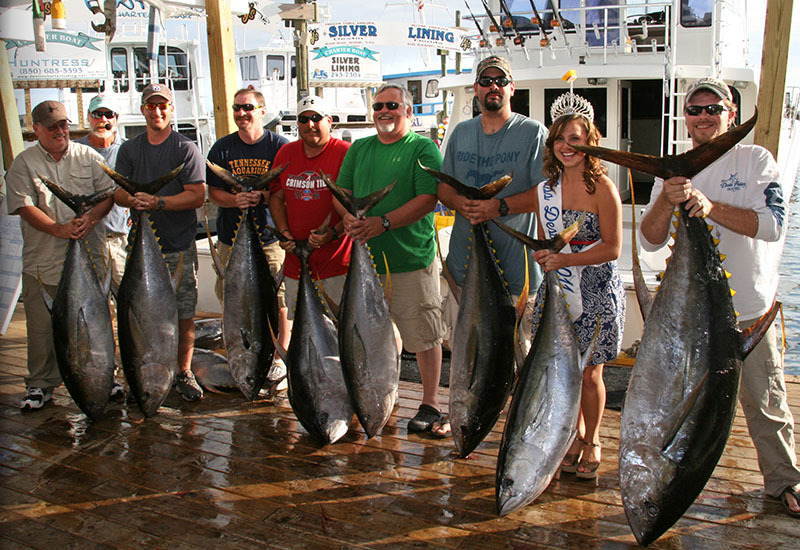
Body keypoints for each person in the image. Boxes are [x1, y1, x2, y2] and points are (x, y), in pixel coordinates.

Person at [639, 76, 800, 517]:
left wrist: (709, 207)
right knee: (678, 405)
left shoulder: (754, 159)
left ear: (731, 113)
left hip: (746, 312)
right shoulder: (672, 171)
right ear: (686, 117)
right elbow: (650, 240)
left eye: (714, 108)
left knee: (765, 403)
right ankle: (669, 481)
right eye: (695, 109)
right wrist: (667, 200)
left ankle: (785, 480)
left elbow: (773, 225)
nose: (704, 116)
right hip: (687, 320)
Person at [336, 84, 446, 433]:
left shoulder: (422, 148)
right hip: (366, 261)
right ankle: (385, 391)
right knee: (374, 335)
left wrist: (382, 222)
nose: (384, 111)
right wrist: (348, 217)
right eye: (379, 106)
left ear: (408, 111)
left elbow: (428, 199)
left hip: (410, 260)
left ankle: (431, 403)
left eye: (393, 106)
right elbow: (341, 193)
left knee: (424, 333)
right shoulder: (360, 148)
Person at [527, 93, 625, 479]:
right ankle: (571, 433)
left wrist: (565, 260)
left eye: (575, 139)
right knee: (561, 370)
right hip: (558, 291)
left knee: (589, 373)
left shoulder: (603, 187)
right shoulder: (545, 190)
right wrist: (544, 257)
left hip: (596, 288)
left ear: (590, 143)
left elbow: (613, 247)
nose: (566, 147)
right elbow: (544, 241)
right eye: (560, 139)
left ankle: (592, 438)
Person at [437, 56, 548, 362]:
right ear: (476, 89)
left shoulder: (533, 133)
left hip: (518, 278)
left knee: (517, 360)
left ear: (512, 88)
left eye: (501, 81)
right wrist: (462, 204)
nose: (493, 87)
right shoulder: (461, 133)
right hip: (463, 273)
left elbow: (547, 194)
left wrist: (498, 207)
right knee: (467, 358)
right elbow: (444, 188)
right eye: (486, 81)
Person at [6, 100, 114, 410]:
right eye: (52, 127)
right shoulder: (24, 163)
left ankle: (106, 378)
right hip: (44, 261)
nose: (60, 131)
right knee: (42, 328)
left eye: (64, 125)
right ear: (37, 129)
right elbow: (24, 206)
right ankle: (40, 384)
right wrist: (59, 229)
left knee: (96, 322)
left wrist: (90, 218)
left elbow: (109, 195)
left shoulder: (88, 157)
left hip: (89, 256)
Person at [113, 83, 206, 401]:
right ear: (143, 110)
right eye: (151, 106)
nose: (157, 111)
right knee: (140, 315)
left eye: (162, 105)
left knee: (184, 311)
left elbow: (197, 195)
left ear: (171, 108)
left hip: (178, 245)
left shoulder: (185, 149)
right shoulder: (129, 150)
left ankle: (183, 371)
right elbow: (118, 193)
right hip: (140, 247)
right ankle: (145, 372)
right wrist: (133, 200)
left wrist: (158, 202)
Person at [206, 88, 291, 373]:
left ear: (262, 111)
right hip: (231, 239)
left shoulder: (279, 146)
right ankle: (241, 356)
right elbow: (214, 194)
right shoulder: (221, 148)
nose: (241, 113)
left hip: (270, 239)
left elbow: (286, 192)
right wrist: (237, 200)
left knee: (280, 300)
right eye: (237, 108)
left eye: (248, 108)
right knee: (232, 299)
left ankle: (279, 359)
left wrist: (263, 196)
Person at [269, 95, 351, 314]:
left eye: (316, 118)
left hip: (337, 264)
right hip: (295, 264)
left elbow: (355, 208)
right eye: (303, 120)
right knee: (302, 329)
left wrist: (333, 233)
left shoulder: (346, 153)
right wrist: (283, 231)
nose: (310, 125)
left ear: (329, 121)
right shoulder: (286, 153)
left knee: (340, 327)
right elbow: (275, 196)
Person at [74, 94, 128, 401]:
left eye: (108, 115)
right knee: (97, 311)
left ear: (116, 118)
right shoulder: (76, 151)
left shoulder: (127, 150)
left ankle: (132, 365)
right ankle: (107, 372)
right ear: (89, 117)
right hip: (88, 241)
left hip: (122, 240)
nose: (103, 120)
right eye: (97, 115)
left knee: (130, 305)